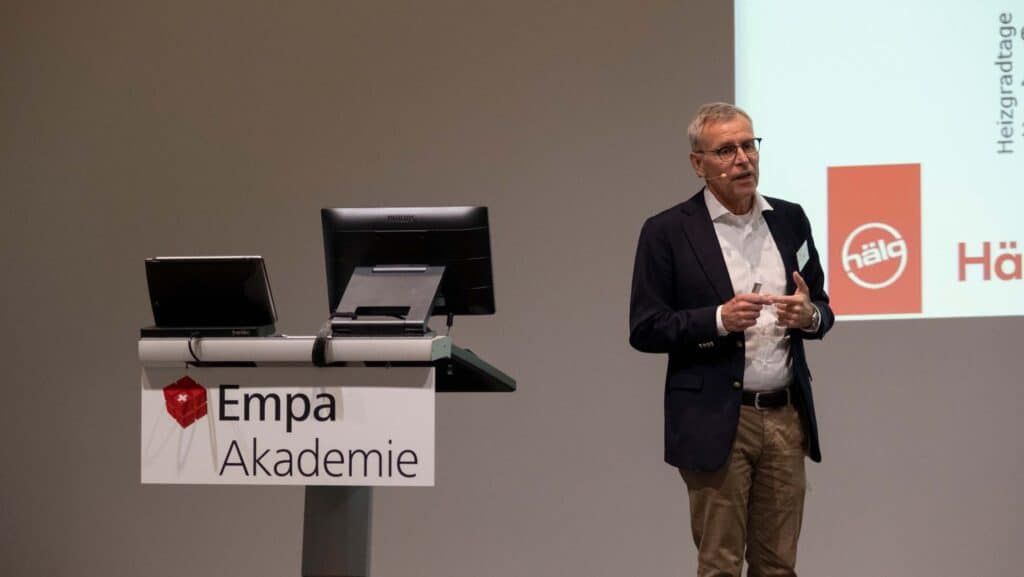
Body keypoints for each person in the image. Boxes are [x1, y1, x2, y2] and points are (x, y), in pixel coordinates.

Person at [628, 102, 834, 577]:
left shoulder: (790, 219)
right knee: (720, 565)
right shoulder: (668, 232)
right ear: (698, 164)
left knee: (779, 566)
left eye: (748, 145)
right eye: (725, 150)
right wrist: (718, 319)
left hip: (785, 417)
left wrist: (808, 316)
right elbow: (645, 327)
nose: (743, 159)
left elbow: (822, 307)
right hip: (716, 420)